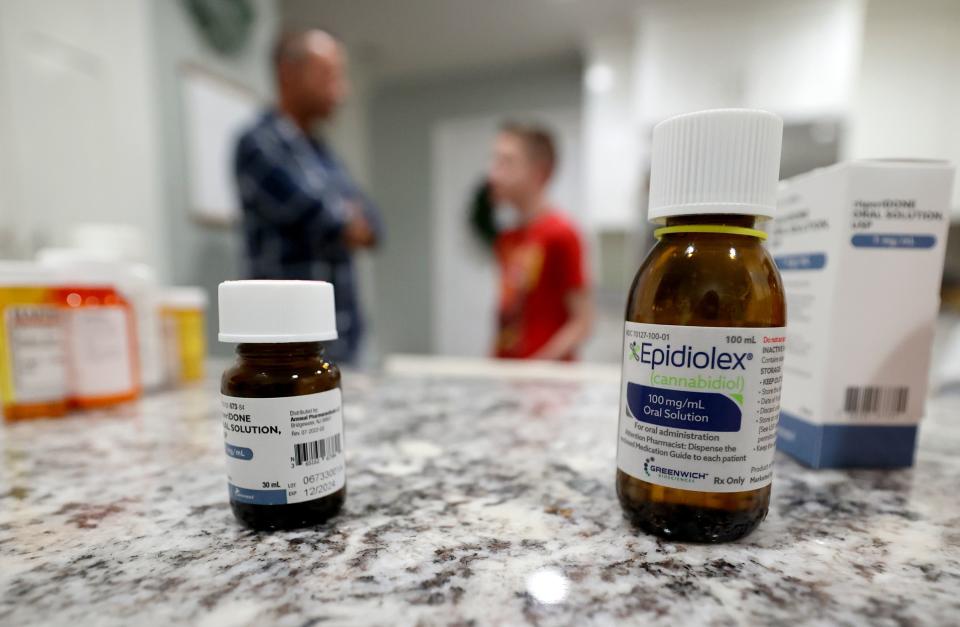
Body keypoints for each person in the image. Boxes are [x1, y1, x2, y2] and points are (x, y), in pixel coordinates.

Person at [234, 30, 381, 364]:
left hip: (343, 336)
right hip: (283, 342)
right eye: (328, 74)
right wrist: (345, 217)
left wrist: (347, 218)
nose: (342, 90)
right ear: (288, 73)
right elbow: (326, 219)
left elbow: (373, 225)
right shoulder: (258, 144)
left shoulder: (325, 154)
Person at [488, 122, 593, 360]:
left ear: (539, 172)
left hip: (547, 387)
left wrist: (535, 368)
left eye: (506, 162)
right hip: (508, 376)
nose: (493, 174)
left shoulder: (562, 234)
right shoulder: (506, 238)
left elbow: (583, 322)